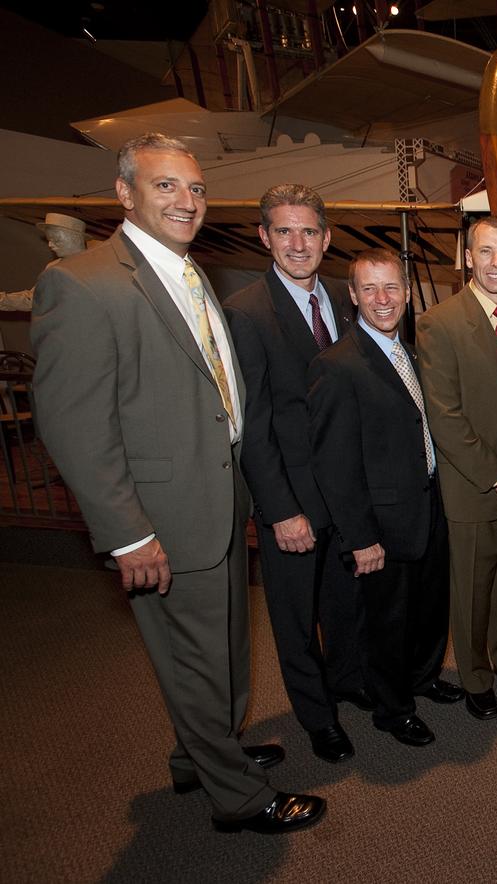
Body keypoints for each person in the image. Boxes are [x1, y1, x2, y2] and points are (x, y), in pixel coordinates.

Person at [30, 133, 324, 834]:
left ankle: (204, 755)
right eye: (166, 187)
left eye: (194, 189)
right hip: (160, 515)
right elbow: (74, 425)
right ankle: (240, 799)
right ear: (125, 193)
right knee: (192, 657)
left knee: (220, 646)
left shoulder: (190, 275)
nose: (186, 202)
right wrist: (129, 533)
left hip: (216, 499)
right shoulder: (83, 283)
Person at [306, 248, 448, 748]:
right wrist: (361, 538)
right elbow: (335, 467)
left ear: (407, 295)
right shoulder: (337, 365)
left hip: (428, 503)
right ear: (352, 295)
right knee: (387, 622)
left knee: (429, 606)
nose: (382, 299)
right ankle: (392, 710)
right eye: (370, 288)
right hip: (382, 523)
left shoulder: (409, 352)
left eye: (391, 288)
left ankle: (423, 678)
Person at [418, 216, 497, 721]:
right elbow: (443, 416)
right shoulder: (439, 322)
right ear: (468, 256)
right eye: (486, 252)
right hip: (474, 485)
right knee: (473, 586)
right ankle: (475, 675)